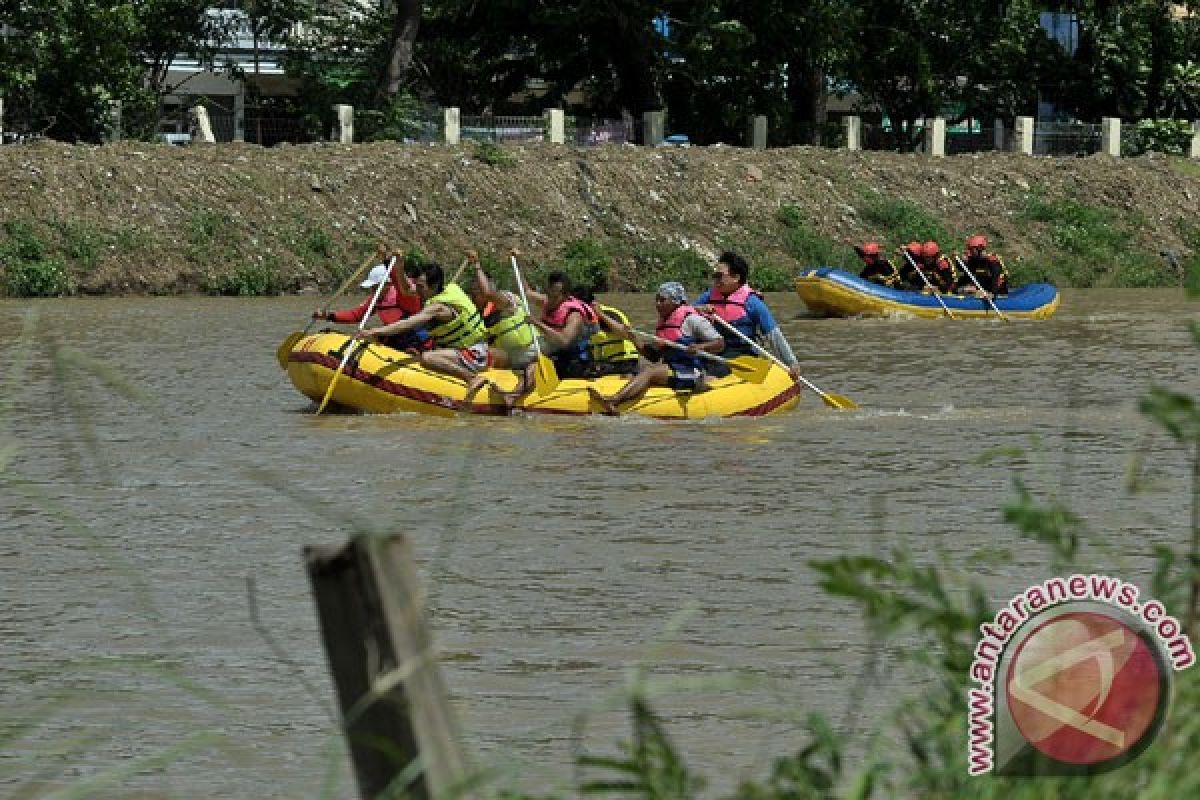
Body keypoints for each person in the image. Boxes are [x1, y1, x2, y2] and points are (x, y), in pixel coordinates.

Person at [589, 281, 725, 415]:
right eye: (656, 300)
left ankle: (615, 401)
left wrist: (700, 347)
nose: (657, 304)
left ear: (675, 301)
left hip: (691, 372)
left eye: (662, 300)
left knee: (649, 371)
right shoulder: (663, 323)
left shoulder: (693, 320)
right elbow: (653, 357)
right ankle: (623, 397)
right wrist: (634, 339)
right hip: (673, 370)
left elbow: (719, 343)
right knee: (642, 370)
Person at [355, 261, 488, 382]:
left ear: (434, 286)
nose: (417, 291)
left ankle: (471, 378)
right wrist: (398, 264)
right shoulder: (446, 289)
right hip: (457, 350)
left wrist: (374, 331)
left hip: (474, 353)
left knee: (427, 358)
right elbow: (406, 289)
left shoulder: (438, 307)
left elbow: (408, 323)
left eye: (420, 287)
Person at [691, 251, 803, 381]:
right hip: (711, 348)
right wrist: (699, 308)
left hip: (739, 352)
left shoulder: (752, 302)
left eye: (719, 276)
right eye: (714, 276)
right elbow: (685, 313)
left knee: (718, 368)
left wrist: (791, 363)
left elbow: (773, 335)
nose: (716, 280)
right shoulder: (708, 297)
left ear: (736, 277)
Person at [460, 251, 541, 402]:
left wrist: (477, 265)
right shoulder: (476, 313)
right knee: (486, 351)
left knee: (534, 368)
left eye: (477, 292)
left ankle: (514, 396)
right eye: (472, 292)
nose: (473, 296)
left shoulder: (506, 301)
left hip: (531, 352)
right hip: (510, 358)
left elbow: (489, 293)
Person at [314, 250, 429, 352]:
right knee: (370, 334)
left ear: (387, 284)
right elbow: (357, 315)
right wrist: (328, 316)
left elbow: (401, 282)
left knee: (374, 333)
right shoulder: (376, 299)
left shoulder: (404, 296)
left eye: (374, 286)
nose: (372, 290)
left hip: (415, 341)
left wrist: (388, 259)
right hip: (395, 339)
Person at [522, 269, 599, 379]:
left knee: (526, 360)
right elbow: (527, 293)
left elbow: (564, 341)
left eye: (555, 297)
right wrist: (517, 263)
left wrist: (537, 323)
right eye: (549, 294)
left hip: (572, 359)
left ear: (566, 295)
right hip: (553, 349)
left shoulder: (574, 315)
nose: (550, 300)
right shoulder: (547, 300)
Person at [575, 286, 640, 377]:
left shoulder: (609, 313)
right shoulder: (582, 319)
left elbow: (626, 334)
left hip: (624, 363)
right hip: (605, 363)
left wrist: (600, 314)